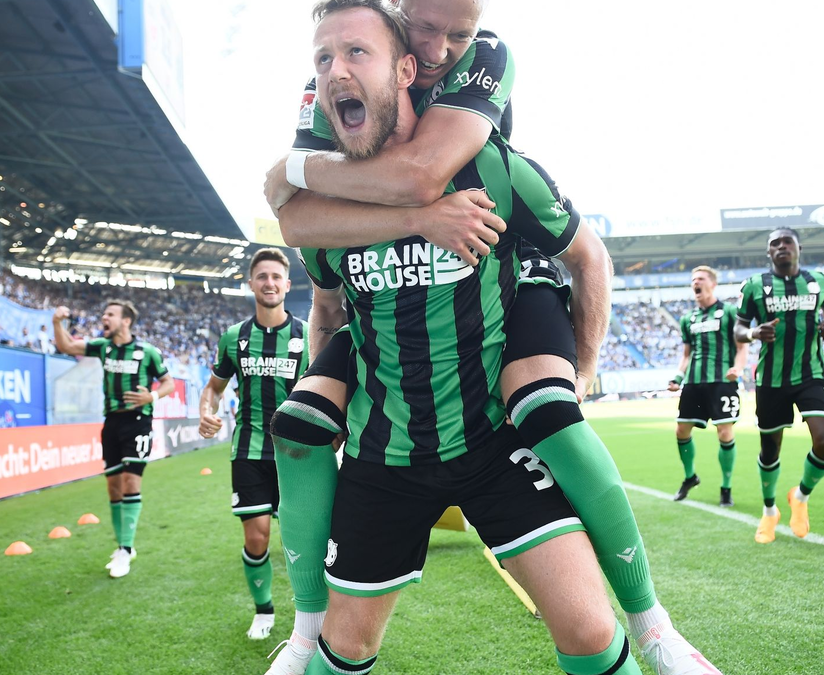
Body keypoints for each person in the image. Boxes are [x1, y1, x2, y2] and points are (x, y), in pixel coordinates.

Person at [264, 1, 714, 674]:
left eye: (357, 54)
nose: (336, 72)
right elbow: (326, 301)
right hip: (385, 457)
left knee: (592, 631)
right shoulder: (329, 214)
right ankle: (303, 638)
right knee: (344, 646)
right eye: (324, 60)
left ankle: (654, 627)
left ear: (406, 70)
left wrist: (582, 367)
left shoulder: (496, 167)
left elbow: (586, 255)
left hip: (490, 440)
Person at [197, 248, 309, 642]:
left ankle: (310, 616)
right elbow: (213, 388)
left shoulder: (306, 335)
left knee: (305, 539)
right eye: (262, 276)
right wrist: (206, 412)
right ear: (251, 284)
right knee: (256, 536)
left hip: (298, 454)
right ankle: (263, 611)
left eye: (276, 276)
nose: (269, 283)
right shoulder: (234, 338)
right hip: (248, 450)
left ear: (287, 284)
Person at [735, 227, 824, 544]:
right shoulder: (755, 286)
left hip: (811, 374)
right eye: (774, 244)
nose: (781, 247)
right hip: (770, 379)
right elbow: (739, 328)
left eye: (787, 242)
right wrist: (754, 334)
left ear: (798, 248)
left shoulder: (819, 281)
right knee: (770, 449)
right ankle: (770, 511)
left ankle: (801, 496)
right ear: (769, 253)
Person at [52, 299, 174, 578]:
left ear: (126, 321)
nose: (104, 318)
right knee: (114, 488)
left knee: (131, 481)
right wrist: (57, 323)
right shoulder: (102, 347)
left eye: (110, 314)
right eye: (103, 313)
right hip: (111, 423)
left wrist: (150, 396)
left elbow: (168, 382)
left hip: (139, 422)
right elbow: (67, 346)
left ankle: (125, 548)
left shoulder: (148, 352)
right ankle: (123, 547)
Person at [667, 266, 748, 507]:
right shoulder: (687, 319)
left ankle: (726, 487)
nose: (696, 283)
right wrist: (678, 378)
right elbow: (686, 355)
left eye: (700, 279)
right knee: (681, 431)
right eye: (693, 280)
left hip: (723, 381)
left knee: (724, 432)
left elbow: (742, 347)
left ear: (712, 284)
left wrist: (738, 369)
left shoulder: (730, 312)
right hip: (694, 382)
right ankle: (690, 477)